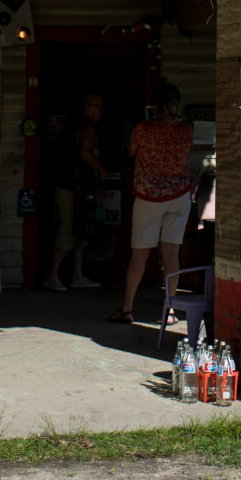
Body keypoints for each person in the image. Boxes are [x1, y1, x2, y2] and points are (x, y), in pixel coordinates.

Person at [110, 84, 193, 323]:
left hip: (149, 196)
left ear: (155, 105)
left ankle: (126, 309)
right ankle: (169, 310)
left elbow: (131, 152)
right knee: (171, 253)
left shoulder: (143, 129)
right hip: (179, 195)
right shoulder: (185, 130)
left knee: (140, 254)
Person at [43, 93, 104, 291]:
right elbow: (85, 154)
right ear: (86, 107)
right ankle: (52, 275)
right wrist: (101, 168)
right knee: (69, 228)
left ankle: (78, 275)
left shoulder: (76, 126)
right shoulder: (86, 126)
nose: (100, 112)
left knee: (82, 230)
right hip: (70, 184)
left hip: (78, 184)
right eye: (97, 107)